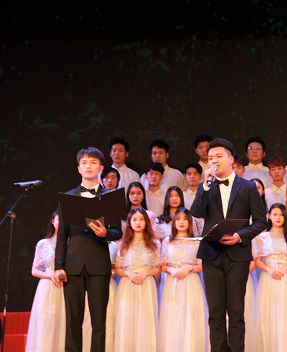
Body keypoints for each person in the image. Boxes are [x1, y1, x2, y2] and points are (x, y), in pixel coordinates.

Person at [190, 138, 267, 352]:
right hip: (211, 254)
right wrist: (205, 186)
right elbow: (196, 212)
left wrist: (239, 236)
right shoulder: (206, 186)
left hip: (237, 255)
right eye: (210, 158)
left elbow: (261, 221)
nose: (213, 161)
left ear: (231, 159)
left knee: (235, 311)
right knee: (215, 313)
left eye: (218, 156)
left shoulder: (247, 187)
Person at [54, 146, 123, 352]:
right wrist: (58, 266)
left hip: (98, 265)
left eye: (93, 162)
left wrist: (105, 233)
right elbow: (62, 236)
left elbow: (117, 232)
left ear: (101, 167)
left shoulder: (110, 196)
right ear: (78, 168)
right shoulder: (68, 197)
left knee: (99, 322)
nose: (88, 166)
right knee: (73, 321)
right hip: (73, 266)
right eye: (84, 162)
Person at [253, 204, 287, 351]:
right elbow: (257, 260)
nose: (278, 217)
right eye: (275, 214)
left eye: (281, 214)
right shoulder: (263, 237)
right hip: (269, 278)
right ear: (269, 216)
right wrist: (269, 270)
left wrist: (285, 268)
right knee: (269, 312)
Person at [158, 207, 208, 351]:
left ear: (189, 222)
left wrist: (190, 268)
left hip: (191, 282)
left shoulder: (197, 241)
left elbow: (202, 265)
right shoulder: (167, 241)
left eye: (185, 219)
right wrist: (171, 270)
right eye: (178, 219)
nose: (181, 222)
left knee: (190, 316)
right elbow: (162, 266)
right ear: (174, 222)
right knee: (173, 316)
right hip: (172, 282)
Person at [113, 209, 161, 351]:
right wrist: (129, 274)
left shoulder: (154, 244)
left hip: (147, 284)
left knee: (146, 318)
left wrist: (146, 273)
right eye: (134, 219)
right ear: (129, 223)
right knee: (127, 318)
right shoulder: (123, 244)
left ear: (146, 222)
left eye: (141, 219)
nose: (138, 223)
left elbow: (159, 268)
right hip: (127, 284)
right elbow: (117, 269)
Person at [26, 210, 65, 352]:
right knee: (46, 323)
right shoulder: (43, 243)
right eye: (59, 220)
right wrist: (50, 275)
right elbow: (34, 270)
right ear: (53, 221)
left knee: (62, 323)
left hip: (65, 287)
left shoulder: (70, 243)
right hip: (47, 288)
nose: (61, 223)